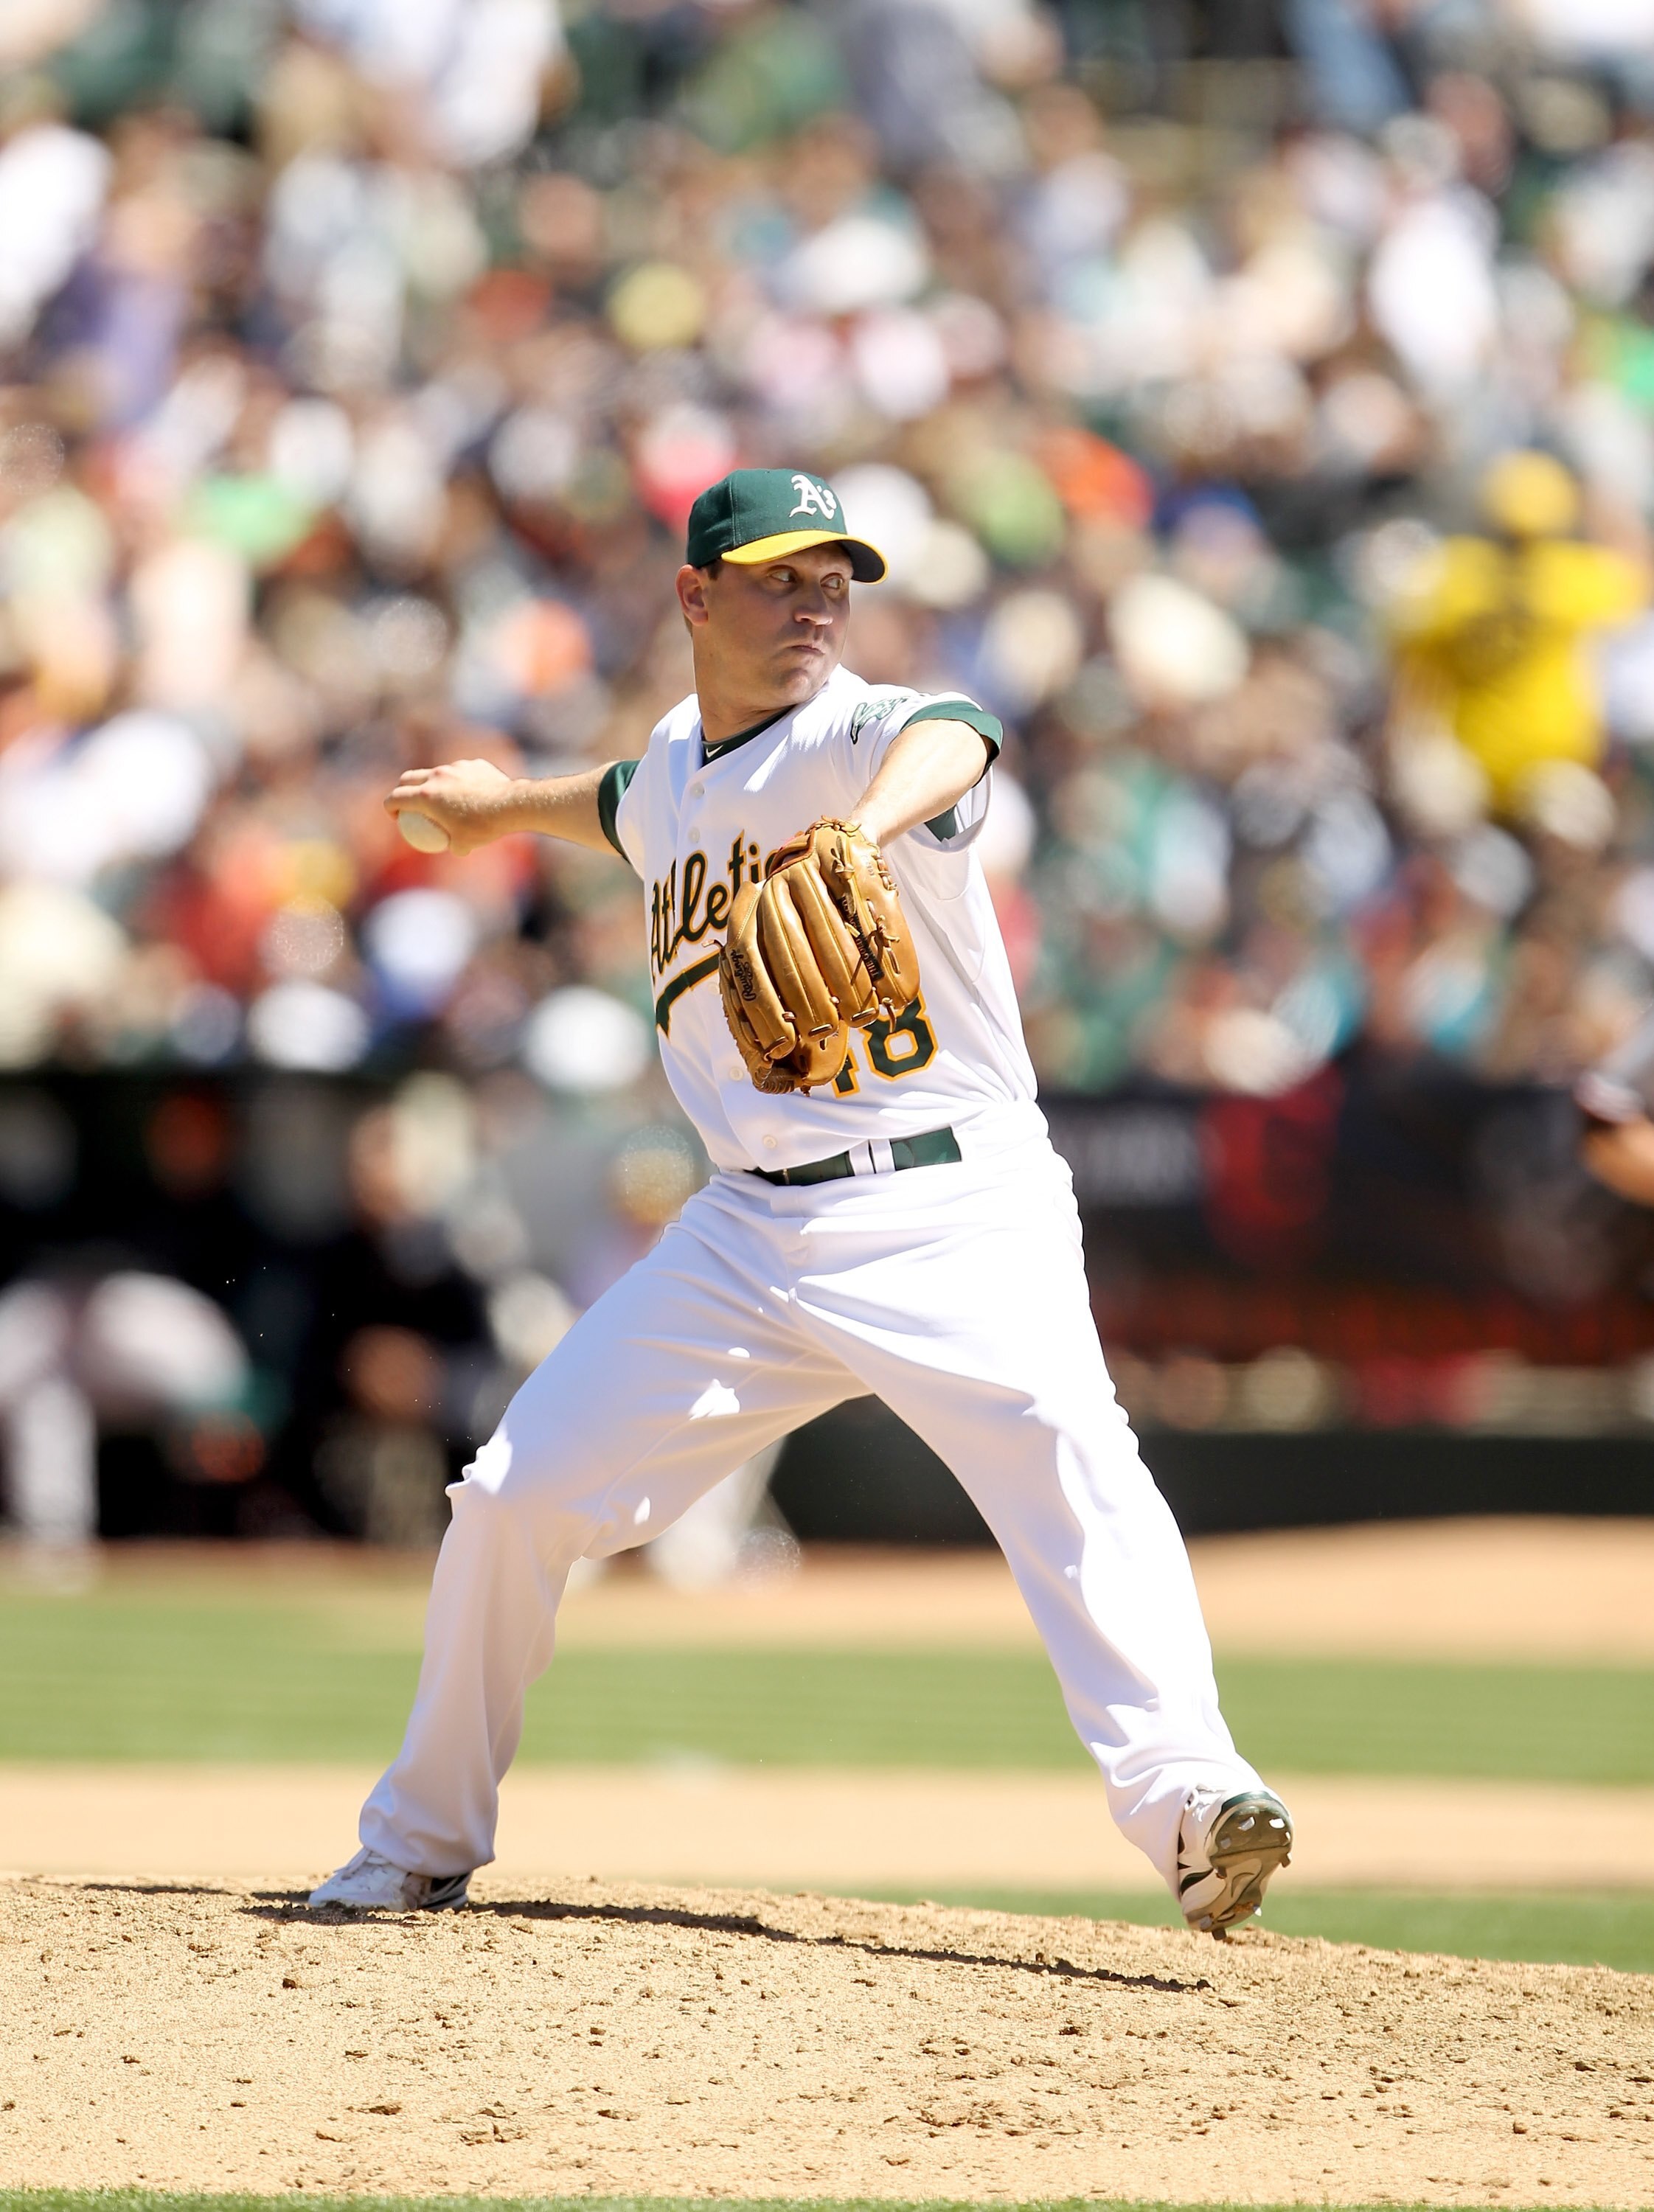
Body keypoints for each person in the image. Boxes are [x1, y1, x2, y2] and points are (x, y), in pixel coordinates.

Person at [309, 467, 1293, 1936]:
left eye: (834, 577)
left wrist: (865, 827)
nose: (816, 600)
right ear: (696, 595)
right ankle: (418, 1839)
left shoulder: (861, 735)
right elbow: (637, 799)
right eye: (780, 575)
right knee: (511, 1500)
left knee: (1074, 1461)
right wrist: (499, 807)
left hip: (953, 1206)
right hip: (747, 1231)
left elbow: (963, 734)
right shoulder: (676, 766)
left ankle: (1196, 1803)